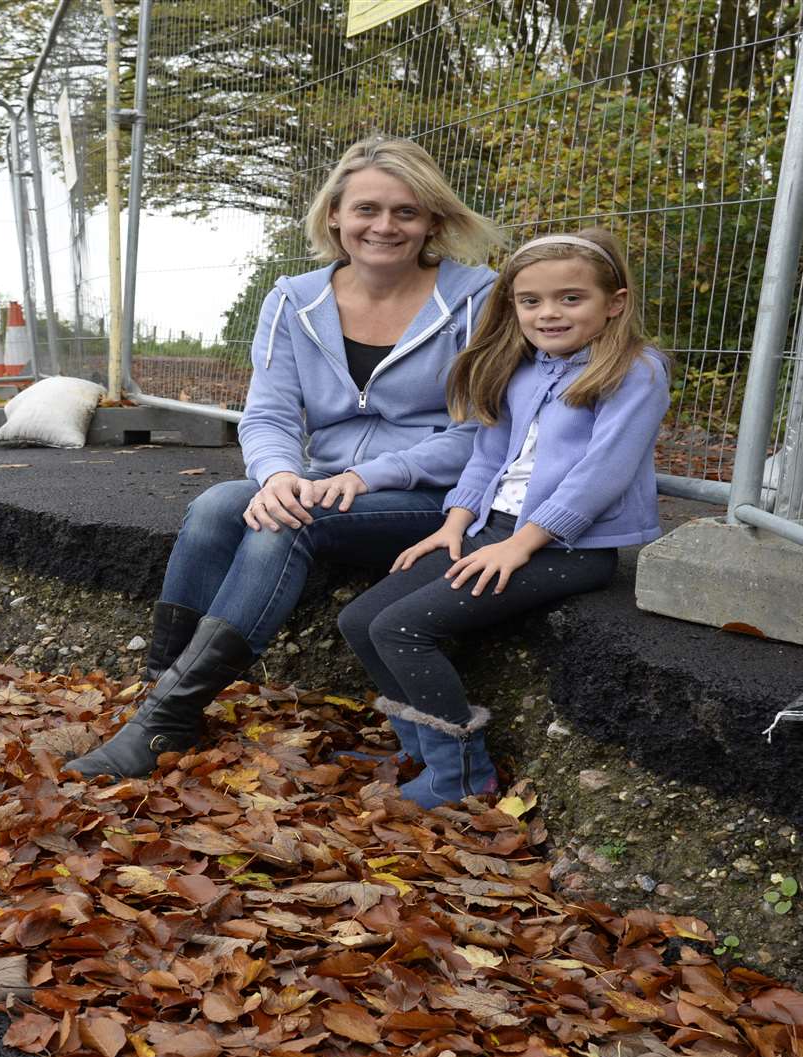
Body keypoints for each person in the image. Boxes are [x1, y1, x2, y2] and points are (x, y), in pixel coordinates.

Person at [65, 136, 500, 779]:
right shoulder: (294, 299)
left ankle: (165, 720)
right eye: (366, 209)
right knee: (219, 505)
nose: (384, 226)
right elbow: (268, 414)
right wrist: (278, 476)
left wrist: (361, 476)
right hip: (324, 481)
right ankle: (162, 696)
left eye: (406, 212)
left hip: (432, 497)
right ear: (334, 216)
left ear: (434, 221)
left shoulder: (478, 298)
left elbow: (483, 431)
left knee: (286, 527)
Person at [336, 229, 670, 808]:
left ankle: (463, 772)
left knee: (403, 628)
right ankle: (420, 747)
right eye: (531, 300)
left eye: (571, 298)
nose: (549, 313)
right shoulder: (520, 368)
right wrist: (453, 525)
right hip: (494, 528)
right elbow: (489, 456)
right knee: (362, 619)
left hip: (569, 548)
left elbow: (602, 472)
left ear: (614, 302)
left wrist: (522, 544)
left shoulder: (635, 371)